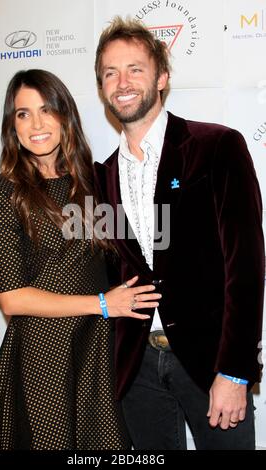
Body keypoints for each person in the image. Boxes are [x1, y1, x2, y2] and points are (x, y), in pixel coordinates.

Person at [94, 16, 265, 450]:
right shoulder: (102, 176)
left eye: (135, 68)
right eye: (110, 72)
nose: (123, 81)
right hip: (138, 368)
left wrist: (235, 371)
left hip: (211, 362)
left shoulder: (216, 147)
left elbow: (244, 267)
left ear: (163, 78)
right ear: (101, 87)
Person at [0, 68, 161, 450]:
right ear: (12, 126)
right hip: (42, 356)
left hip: (100, 351)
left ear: (66, 116)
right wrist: (105, 304)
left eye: (47, 110)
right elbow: (13, 298)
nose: (36, 124)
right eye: (23, 114)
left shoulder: (99, 181)